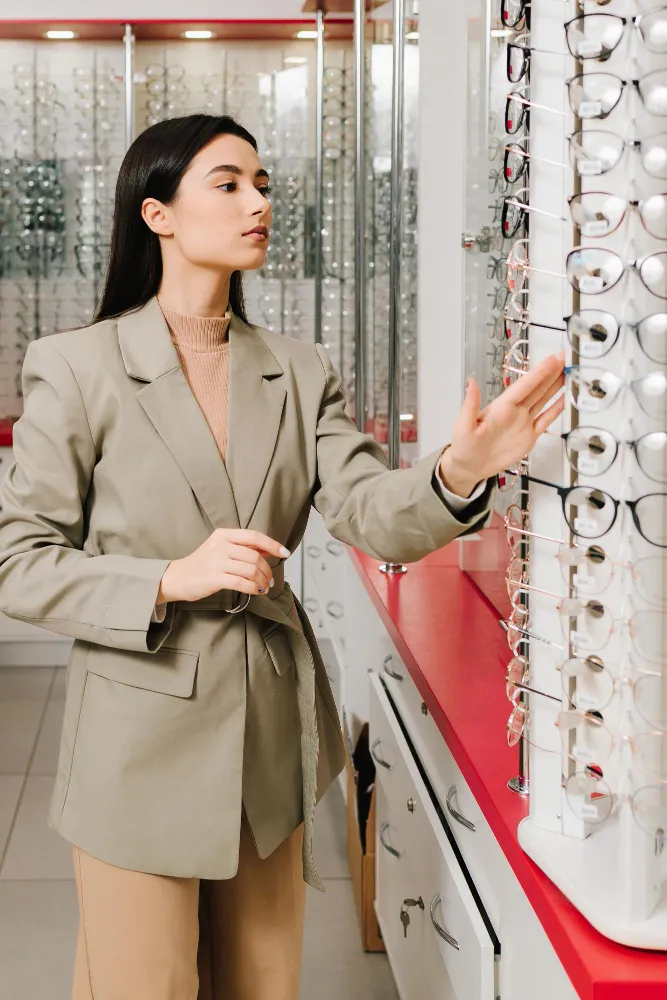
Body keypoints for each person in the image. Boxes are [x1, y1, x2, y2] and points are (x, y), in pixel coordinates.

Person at [0, 114, 564, 1000]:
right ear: (159, 215)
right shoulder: (76, 367)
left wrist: (461, 470)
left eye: (262, 183)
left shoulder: (297, 370)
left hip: (269, 736)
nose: (258, 202)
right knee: (139, 983)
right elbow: (19, 562)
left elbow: (368, 511)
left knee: (264, 984)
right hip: (138, 742)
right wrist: (168, 578)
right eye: (228, 184)